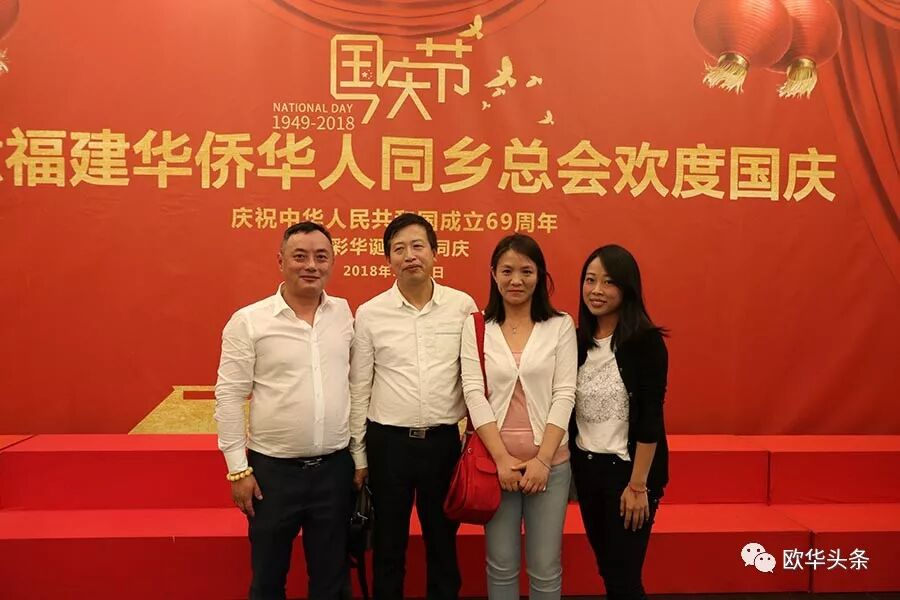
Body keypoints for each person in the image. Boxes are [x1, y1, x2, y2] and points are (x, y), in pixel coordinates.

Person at [214, 222, 355, 600]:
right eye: (300, 256)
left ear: (332, 263)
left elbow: (356, 385)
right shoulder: (249, 321)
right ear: (280, 261)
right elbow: (229, 396)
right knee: (268, 578)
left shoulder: (344, 315)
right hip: (272, 475)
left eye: (321, 257)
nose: (311, 265)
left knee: (331, 580)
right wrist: (237, 469)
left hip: (334, 471)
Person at [349, 213, 477, 600]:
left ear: (435, 253)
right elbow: (359, 387)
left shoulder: (462, 306)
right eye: (399, 249)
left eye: (418, 246)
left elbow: (474, 379)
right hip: (388, 446)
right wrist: (359, 455)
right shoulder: (370, 313)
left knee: (443, 544)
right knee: (388, 546)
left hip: (442, 444)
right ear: (388, 259)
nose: (409, 256)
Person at [460, 233, 577, 600]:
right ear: (493, 274)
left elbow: (565, 393)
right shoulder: (477, 326)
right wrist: (501, 460)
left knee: (545, 567)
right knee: (500, 565)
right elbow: (473, 393)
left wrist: (543, 460)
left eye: (526, 271)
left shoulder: (560, 325)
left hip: (550, 466)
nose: (516, 280)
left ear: (540, 275)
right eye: (507, 271)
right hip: (495, 468)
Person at [570, 244, 669, 600]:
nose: (596, 290)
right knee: (609, 571)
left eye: (608, 282)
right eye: (590, 280)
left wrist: (638, 486)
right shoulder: (575, 341)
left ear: (627, 288)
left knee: (625, 579)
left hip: (628, 475)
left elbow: (650, 417)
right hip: (587, 470)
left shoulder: (645, 343)